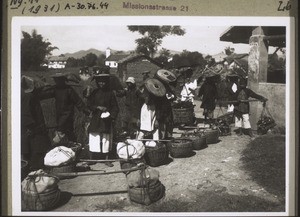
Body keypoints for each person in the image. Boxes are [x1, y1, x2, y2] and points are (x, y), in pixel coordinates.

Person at [86, 69, 119, 167]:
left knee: (106, 138)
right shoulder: (94, 92)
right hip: (96, 118)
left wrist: (111, 116)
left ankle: (107, 159)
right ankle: (92, 158)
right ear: (96, 82)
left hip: (106, 118)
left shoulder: (110, 93)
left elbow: (115, 107)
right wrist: (97, 107)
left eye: (103, 81)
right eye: (99, 81)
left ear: (106, 82)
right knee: (93, 137)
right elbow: (89, 105)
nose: (101, 83)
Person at [21, 75, 52, 171]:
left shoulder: (26, 95)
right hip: (33, 131)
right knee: (36, 153)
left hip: (32, 130)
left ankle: (34, 171)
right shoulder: (29, 97)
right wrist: (33, 128)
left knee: (31, 152)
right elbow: (26, 115)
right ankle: (36, 173)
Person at [50, 72, 90, 143]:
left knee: (61, 131)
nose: (57, 82)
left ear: (63, 80)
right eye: (56, 80)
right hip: (59, 114)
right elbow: (45, 93)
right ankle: (73, 145)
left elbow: (78, 101)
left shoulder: (69, 90)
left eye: (59, 80)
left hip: (67, 115)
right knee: (69, 133)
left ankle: (56, 146)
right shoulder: (55, 89)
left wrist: (86, 111)